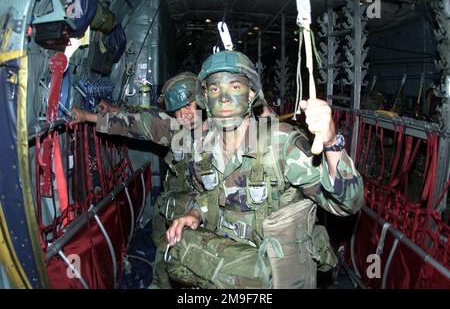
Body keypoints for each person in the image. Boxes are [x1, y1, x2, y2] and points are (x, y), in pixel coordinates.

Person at [164, 50, 364, 289]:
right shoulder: (201, 146)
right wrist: (195, 215)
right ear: (205, 98)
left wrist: (331, 142)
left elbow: (347, 204)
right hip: (226, 271)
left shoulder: (281, 143)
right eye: (215, 89)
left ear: (251, 95)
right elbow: (208, 196)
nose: (224, 98)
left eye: (235, 87)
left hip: (278, 273)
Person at [71, 72, 204, 288]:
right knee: (162, 250)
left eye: (190, 105)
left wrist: (88, 116)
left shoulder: (222, 134)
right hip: (176, 205)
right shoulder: (178, 129)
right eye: (179, 109)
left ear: (203, 102)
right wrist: (100, 114)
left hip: (200, 214)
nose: (185, 113)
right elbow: (143, 120)